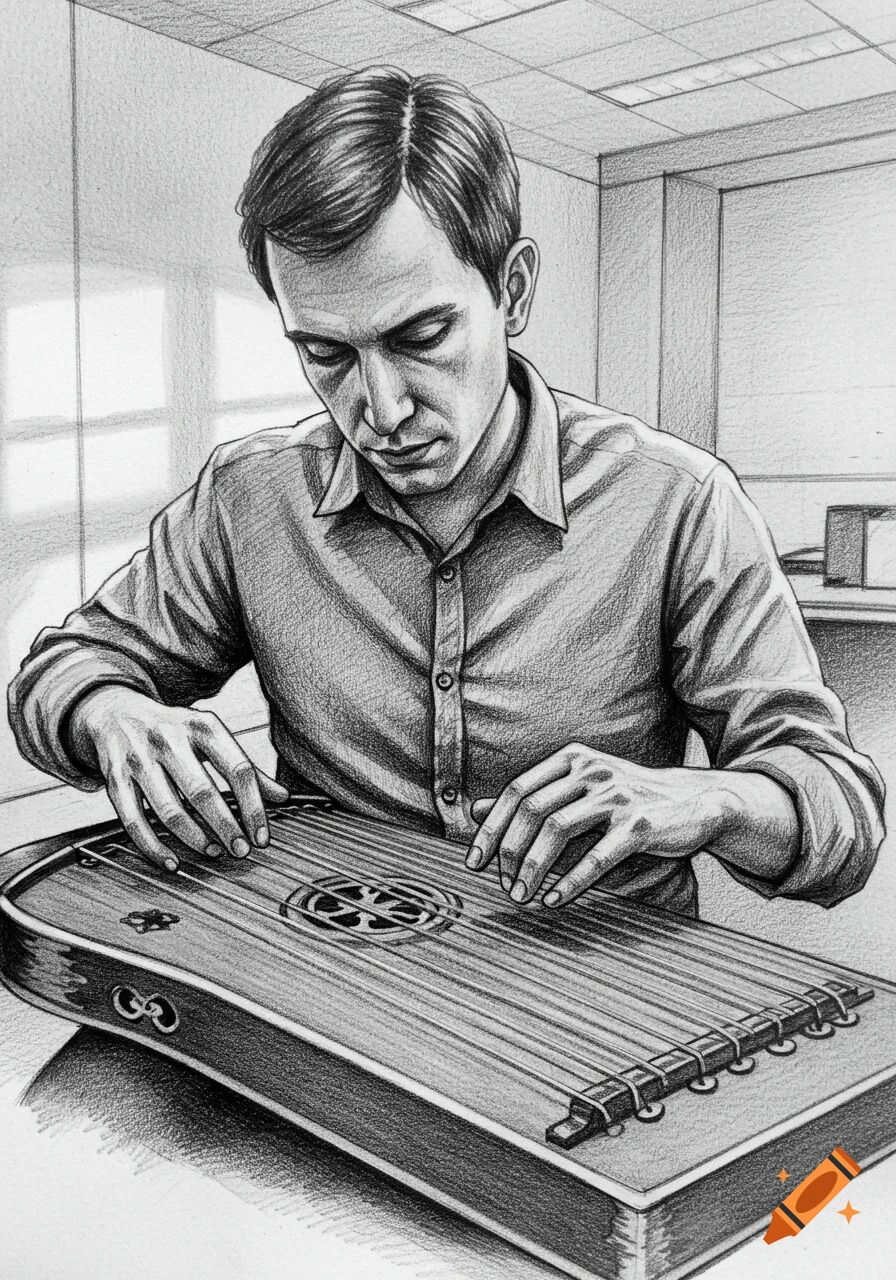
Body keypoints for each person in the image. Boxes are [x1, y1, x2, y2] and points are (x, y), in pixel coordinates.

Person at [8, 68, 884, 916]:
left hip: (596, 991)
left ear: (512, 290)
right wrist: (112, 711)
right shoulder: (249, 499)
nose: (380, 410)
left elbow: (840, 818)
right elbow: (64, 669)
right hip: (336, 961)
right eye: (326, 353)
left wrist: (706, 800)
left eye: (423, 335)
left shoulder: (676, 501)